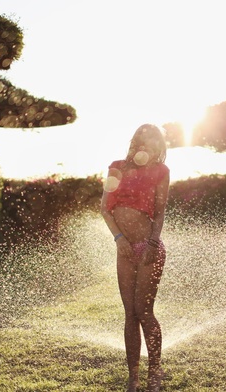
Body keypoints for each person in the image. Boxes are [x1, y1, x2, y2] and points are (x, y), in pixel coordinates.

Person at [101, 124, 170, 392]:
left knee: (144, 311)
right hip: (124, 250)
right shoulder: (116, 167)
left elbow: (160, 212)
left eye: (152, 142)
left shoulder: (161, 171)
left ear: (157, 147)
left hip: (149, 248)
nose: (146, 146)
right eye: (142, 140)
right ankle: (134, 377)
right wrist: (119, 240)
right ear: (135, 143)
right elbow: (105, 209)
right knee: (130, 314)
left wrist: (153, 242)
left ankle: (155, 373)